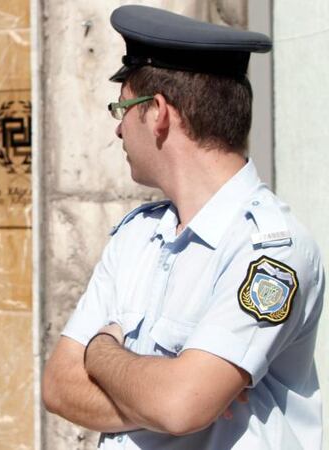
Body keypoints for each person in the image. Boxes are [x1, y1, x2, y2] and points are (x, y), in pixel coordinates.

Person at [42, 5, 324, 449]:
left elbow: (181, 405)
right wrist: (161, 395)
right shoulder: (137, 236)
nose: (117, 130)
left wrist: (100, 352)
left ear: (157, 113)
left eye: (122, 108)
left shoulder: (268, 251)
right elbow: (59, 386)